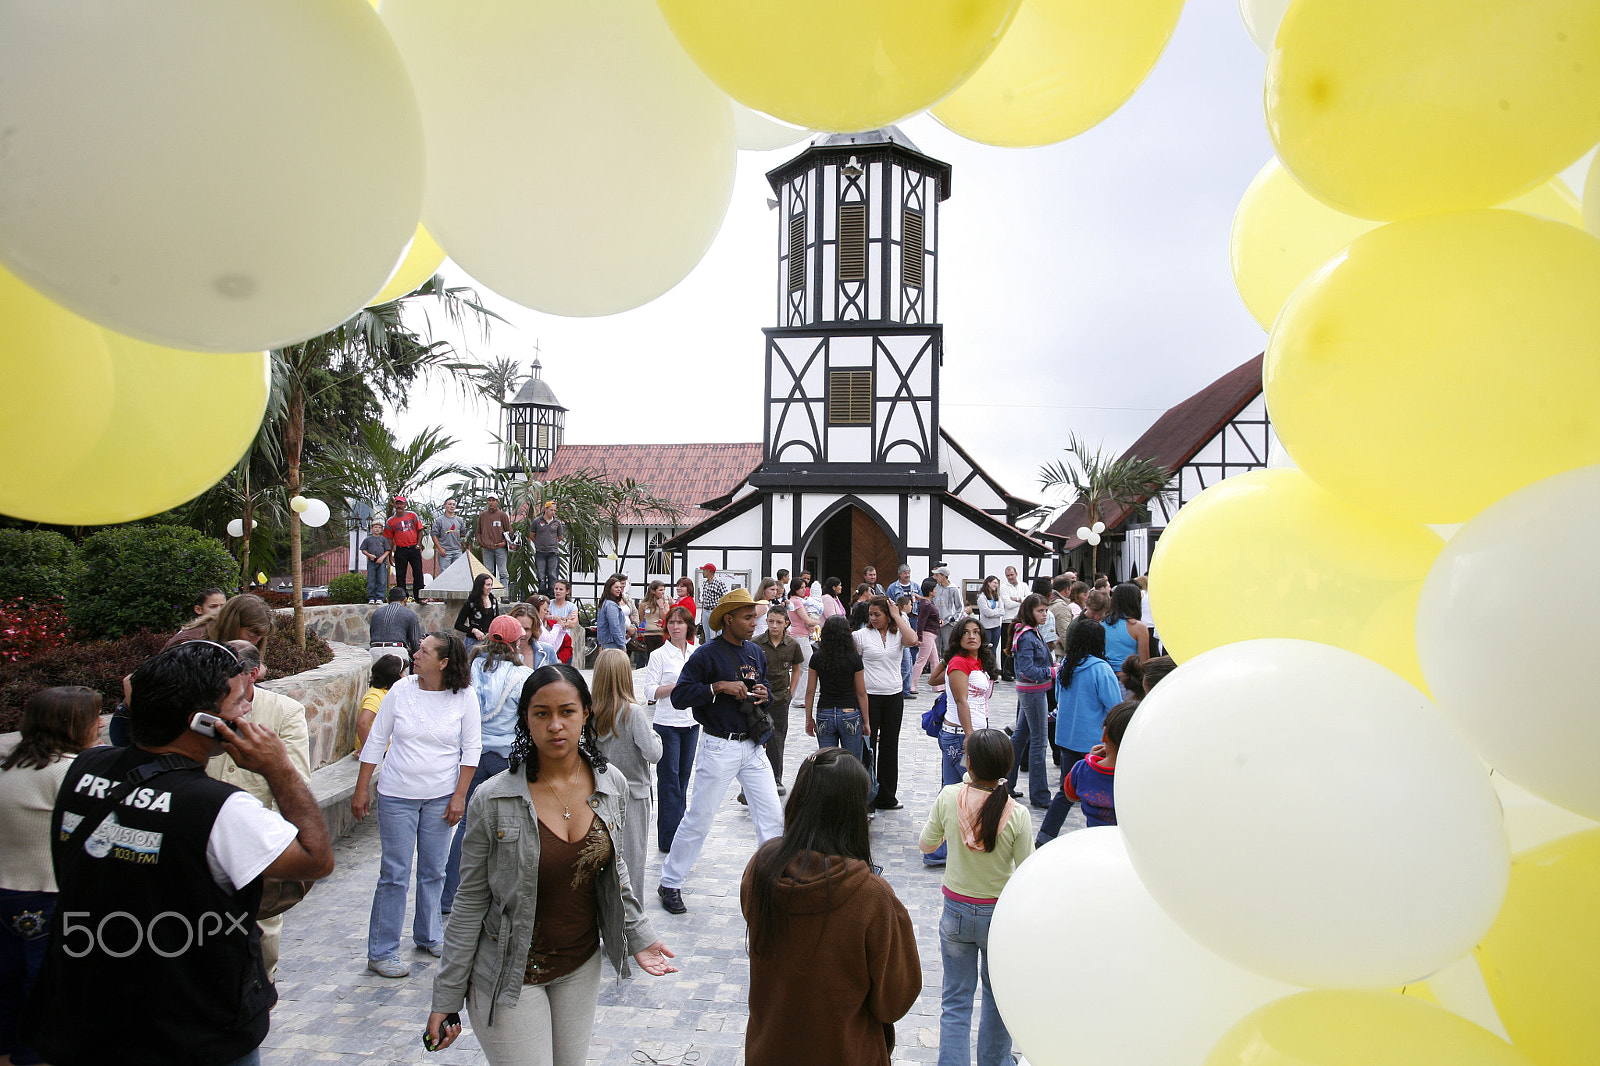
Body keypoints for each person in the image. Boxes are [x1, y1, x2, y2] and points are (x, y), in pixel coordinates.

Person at [28, 642, 333, 1066]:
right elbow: (316, 859)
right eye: (238, 701)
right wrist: (278, 767)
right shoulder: (220, 808)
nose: (247, 710)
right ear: (204, 723)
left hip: (88, 1012)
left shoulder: (84, 770)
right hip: (193, 1028)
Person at [424, 664, 676, 1064]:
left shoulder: (611, 784)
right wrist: (446, 996)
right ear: (525, 718)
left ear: (586, 713)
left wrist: (639, 935)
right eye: (542, 713)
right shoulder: (493, 799)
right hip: (509, 974)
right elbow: (469, 901)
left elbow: (615, 869)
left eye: (567, 711)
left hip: (580, 967)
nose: (555, 725)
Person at [741, 749, 921, 1066]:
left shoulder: (763, 867)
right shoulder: (871, 895)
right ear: (855, 813)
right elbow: (894, 1000)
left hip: (770, 1050)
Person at [354, 632, 481, 978]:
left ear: (443, 663)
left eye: (424, 651)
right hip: (397, 794)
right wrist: (362, 787)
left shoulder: (465, 697)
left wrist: (459, 796)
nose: (415, 653)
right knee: (394, 873)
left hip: (441, 796)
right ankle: (382, 951)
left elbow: (471, 750)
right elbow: (376, 740)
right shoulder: (401, 690)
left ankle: (428, 934)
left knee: (434, 870)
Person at [656, 588, 782, 915]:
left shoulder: (755, 652)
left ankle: (773, 883)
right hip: (718, 745)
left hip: (752, 747)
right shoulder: (706, 655)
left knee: (771, 817)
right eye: (747, 616)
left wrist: (761, 693)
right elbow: (681, 696)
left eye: (755, 616)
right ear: (728, 619)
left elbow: (765, 690)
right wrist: (718, 687)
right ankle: (669, 882)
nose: (755, 622)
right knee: (700, 817)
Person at [919, 729, 1034, 1066]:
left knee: (955, 1000)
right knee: (997, 1001)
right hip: (998, 917)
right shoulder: (1016, 814)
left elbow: (927, 844)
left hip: (955, 914)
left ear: (969, 762)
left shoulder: (949, 797)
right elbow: (1027, 870)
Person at [0, 687, 101, 1066]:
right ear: (73, 725)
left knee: (7, 994)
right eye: (95, 718)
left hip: (6, 893)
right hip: (47, 898)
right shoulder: (71, 774)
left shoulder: (9, 766)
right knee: (46, 997)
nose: (102, 724)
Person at [208, 639, 312, 983]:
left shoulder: (284, 711)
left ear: (252, 674)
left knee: (262, 937)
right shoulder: (204, 706)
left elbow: (297, 780)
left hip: (255, 842)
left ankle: (259, 994)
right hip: (204, 837)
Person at [442, 618, 535, 921]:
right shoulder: (522, 675)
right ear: (514, 642)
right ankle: (502, 896)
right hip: (503, 757)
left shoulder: (470, 670)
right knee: (508, 827)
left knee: (468, 826)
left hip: (471, 756)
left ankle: (450, 895)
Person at [1037, 617, 1122, 845]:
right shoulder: (1101, 669)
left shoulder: (1066, 665)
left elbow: (1058, 698)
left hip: (1066, 739)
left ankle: (1045, 836)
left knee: (1067, 790)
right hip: (1094, 742)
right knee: (1102, 795)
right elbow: (1115, 707)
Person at [591, 649, 663, 897]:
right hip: (633, 796)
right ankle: (632, 924)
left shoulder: (590, 713)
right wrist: (656, 735)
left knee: (603, 862)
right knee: (632, 865)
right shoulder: (632, 712)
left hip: (599, 796)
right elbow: (653, 754)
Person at [925, 618, 997, 868]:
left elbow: (936, 681)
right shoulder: (958, 662)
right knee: (972, 792)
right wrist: (970, 735)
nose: (972, 636)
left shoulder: (976, 661)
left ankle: (938, 849)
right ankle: (945, 848)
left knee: (952, 791)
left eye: (976, 632)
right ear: (958, 637)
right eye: (965, 633)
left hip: (968, 732)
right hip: (961, 735)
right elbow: (960, 701)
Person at [854, 596, 918, 812]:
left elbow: (912, 640)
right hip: (869, 696)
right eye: (870, 615)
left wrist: (897, 617)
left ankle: (887, 795)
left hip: (893, 696)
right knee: (867, 746)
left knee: (890, 746)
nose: (872, 618)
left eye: (877, 614)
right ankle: (867, 796)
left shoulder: (898, 632)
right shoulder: (861, 636)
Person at [643, 606, 698, 855]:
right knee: (669, 781)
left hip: (691, 722)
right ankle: (668, 837)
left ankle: (681, 833)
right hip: (667, 723)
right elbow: (649, 692)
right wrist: (676, 687)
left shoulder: (696, 654)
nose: (676, 627)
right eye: (672, 623)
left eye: (680, 622)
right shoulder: (659, 656)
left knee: (684, 778)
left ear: (688, 626)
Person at [748, 603, 804, 799]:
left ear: (786, 623)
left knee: (777, 739)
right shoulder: (755, 643)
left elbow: (797, 667)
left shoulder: (793, 645)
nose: (774, 626)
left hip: (780, 698)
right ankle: (750, 784)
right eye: (770, 621)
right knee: (754, 739)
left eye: (778, 622)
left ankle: (775, 778)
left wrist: (792, 691)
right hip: (758, 697)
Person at [1008, 596, 1055, 809]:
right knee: (1039, 741)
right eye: (1041, 611)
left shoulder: (1029, 631)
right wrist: (1052, 671)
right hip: (1033, 692)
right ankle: (1040, 794)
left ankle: (1006, 785)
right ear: (1030, 612)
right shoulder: (1027, 635)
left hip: (1032, 691)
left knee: (1020, 737)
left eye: (1046, 610)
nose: (1045, 614)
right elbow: (1027, 670)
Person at [1061, 702, 1138, 828]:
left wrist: (1091, 762)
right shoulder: (1142, 776)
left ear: (1104, 735)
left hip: (1096, 839)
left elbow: (1071, 796)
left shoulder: (1082, 768)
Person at [804, 615, 868, 764]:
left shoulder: (817, 658)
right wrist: (866, 721)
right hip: (849, 711)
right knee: (852, 762)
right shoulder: (854, 658)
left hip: (824, 711)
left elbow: (810, 691)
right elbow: (861, 692)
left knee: (826, 762)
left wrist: (809, 718)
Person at [161, 591, 274, 652]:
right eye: (250, 635)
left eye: (259, 638)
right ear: (232, 625)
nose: (254, 642)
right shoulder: (191, 645)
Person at [357, 654, 407, 755]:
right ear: (395, 675)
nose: (404, 676)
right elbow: (362, 723)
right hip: (382, 751)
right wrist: (368, 752)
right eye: (403, 672)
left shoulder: (388, 692)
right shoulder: (375, 696)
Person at [1103, 583, 1152, 685]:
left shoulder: (1102, 624)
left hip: (1107, 677)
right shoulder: (1139, 627)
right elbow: (1144, 662)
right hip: (1130, 680)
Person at [784, 577, 818, 709]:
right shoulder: (797, 602)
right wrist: (818, 622)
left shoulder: (793, 601)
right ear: (796, 588)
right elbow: (806, 620)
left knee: (801, 667)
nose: (804, 590)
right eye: (802, 587)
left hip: (798, 634)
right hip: (800, 635)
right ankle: (798, 697)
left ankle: (798, 696)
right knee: (807, 666)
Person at [369, 585, 423, 665]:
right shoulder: (410, 614)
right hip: (397, 652)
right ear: (405, 600)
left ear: (388, 600)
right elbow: (415, 642)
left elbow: (372, 634)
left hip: (374, 652)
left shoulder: (376, 613)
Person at [387, 495, 426, 602]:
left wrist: (418, 544)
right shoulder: (390, 521)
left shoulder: (412, 515)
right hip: (400, 550)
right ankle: (402, 597)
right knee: (400, 575)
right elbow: (389, 539)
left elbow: (420, 530)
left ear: (405, 505)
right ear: (394, 505)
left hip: (414, 548)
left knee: (418, 572)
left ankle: (419, 597)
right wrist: (390, 554)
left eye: (401, 503)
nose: (399, 506)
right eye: (397, 503)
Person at [454, 572, 500, 652]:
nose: (490, 588)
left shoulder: (494, 601)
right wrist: (474, 630)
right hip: (473, 643)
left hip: (489, 642)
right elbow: (458, 625)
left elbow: (497, 620)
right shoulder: (470, 603)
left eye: (491, 585)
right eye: (487, 585)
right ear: (480, 586)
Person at [912, 579, 944, 696]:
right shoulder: (926, 605)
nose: (936, 591)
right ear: (931, 592)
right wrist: (919, 637)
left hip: (930, 634)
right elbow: (921, 622)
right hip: (927, 634)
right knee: (922, 660)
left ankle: (937, 685)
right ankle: (912, 685)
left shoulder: (925, 603)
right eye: (934, 589)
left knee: (935, 660)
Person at [476, 495, 513, 594]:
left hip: (500, 548)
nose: (491, 502)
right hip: (487, 549)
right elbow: (478, 532)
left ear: (497, 502)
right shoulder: (483, 516)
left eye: (493, 500)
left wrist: (504, 543)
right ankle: (489, 594)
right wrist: (482, 543)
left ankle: (504, 594)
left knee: (503, 572)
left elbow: (509, 532)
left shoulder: (502, 515)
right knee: (488, 573)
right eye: (489, 500)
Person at [530, 500, 566, 597]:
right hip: (540, 552)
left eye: (554, 510)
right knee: (541, 574)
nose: (553, 512)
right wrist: (539, 543)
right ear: (546, 509)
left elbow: (559, 537)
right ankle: (542, 591)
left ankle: (552, 593)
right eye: (551, 510)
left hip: (553, 552)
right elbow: (532, 535)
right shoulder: (537, 521)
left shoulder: (557, 523)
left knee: (552, 574)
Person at [998, 566, 1027, 683]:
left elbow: (1028, 599)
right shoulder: (1004, 587)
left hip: (1021, 619)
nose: (1010, 577)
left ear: (1016, 574)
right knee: (1007, 646)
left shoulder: (1024, 585)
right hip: (1008, 620)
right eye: (1008, 575)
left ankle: (1016, 671)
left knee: (1020, 646)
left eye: (1012, 575)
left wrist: (1018, 599)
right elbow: (1008, 604)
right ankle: (1006, 672)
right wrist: (1022, 601)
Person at [931, 565, 968, 653]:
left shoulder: (954, 589)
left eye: (938, 575)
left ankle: (948, 664)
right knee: (935, 647)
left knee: (948, 646)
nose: (936, 577)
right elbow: (932, 602)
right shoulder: (936, 588)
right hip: (936, 622)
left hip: (949, 623)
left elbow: (960, 608)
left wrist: (952, 619)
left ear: (944, 576)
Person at [975, 576, 1005, 676]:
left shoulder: (997, 597)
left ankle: (993, 671)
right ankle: (985, 670)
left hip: (996, 627)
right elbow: (987, 612)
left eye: (997, 583)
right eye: (994, 583)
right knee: (986, 649)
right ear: (988, 583)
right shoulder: (982, 597)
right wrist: (996, 612)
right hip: (986, 627)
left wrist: (994, 612)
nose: (996, 585)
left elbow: (1002, 611)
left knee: (994, 649)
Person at [596, 573, 632, 654]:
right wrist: (622, 645)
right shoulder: (610, 605)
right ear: (609, 589)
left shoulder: (607, 603)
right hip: (612, 643)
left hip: (609, 642)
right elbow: (614, 626)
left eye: (620, 587)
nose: (619, 589)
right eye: (616, 587)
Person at [362, 520, 393, 603]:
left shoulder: (383, 539)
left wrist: (382, 558)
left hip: (381, 562)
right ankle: (371, 597)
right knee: (371, 580)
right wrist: (370, 555)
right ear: (372, 528)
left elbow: (387, 550)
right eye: (375, 527)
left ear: (381, 529)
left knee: (382, 580)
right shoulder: (368, 540)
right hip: (371, 562)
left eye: (379, 528)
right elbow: (363, 550)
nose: (377, 529)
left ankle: (380, 597)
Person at [431, 498, 465, 574]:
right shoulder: (439, 520)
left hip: (457, 551)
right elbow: (434, 535)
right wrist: (440, 548)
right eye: (449, 504)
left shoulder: (459, 520)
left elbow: (462, 534)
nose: (452, 506)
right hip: (445, 551)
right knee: (445, 573)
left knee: (457, 573)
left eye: (453, 504)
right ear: (445, 506)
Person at [696, 563, 728, 642]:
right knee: (707, 634)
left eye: (704, 570)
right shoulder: (705, 583)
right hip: (705, 610)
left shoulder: (719, 583)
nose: (703, 572)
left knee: (716, 634)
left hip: (714, 610)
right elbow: (704, 599)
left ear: (709, 571)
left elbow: (726, 597)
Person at [639, 579, 670, 658]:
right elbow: (641, 619)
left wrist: (661, 607)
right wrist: (641, 631)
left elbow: (665, 618)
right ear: (653, 591)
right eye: (660, 590)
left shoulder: (664, 603)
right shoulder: (643, 604)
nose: (663, 592)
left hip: (660, 633)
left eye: (663, 590)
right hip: (648, 634)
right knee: (650, 656)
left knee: (660, 656)